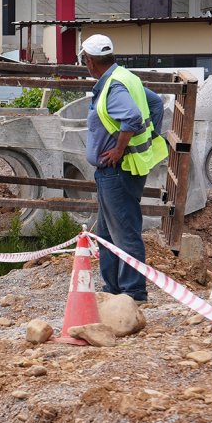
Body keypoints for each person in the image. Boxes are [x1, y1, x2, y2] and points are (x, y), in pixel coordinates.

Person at [80, 34, 169, 302]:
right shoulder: (125, 77)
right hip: (119, 170)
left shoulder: (114, 87)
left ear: (90, 61)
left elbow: (131, 117)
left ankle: (133, 292)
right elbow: (154, 104)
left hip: (119, 170)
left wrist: (120, 148)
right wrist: (149, 137)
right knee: (107, 233)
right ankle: (113, 290)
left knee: (125, 233)